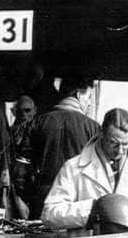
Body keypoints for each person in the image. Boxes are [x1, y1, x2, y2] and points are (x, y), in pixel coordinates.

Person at [42, 107, 128, 232]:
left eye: (126, 144)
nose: (120, 150)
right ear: (101, 134)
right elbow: (50, 214)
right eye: (114, 143)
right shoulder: (73, 167)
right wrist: (93, 210)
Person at [26, 72, 100, 219]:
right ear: (79, 95)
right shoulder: (93, 128)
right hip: (76, 202)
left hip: (42, 198)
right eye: (89, 98)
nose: (90, 103)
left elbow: (22, 169)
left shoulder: (37, 123)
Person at [8, 94, 36, 216]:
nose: (24, 115)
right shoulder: (10, 132)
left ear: (35, 111)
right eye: (20, 111)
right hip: (15, 176)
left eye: (27, 111)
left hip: (32, 176)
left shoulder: (38, 129)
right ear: (14, 112)